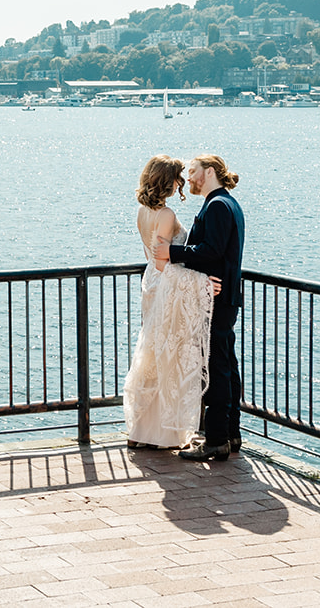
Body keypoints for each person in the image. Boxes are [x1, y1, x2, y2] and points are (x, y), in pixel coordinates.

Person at [123, 155, 218, 450]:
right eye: (179, 177)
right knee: (168, 354)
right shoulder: (165, 214)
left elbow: (152, 258)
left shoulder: (142, 211)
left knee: (152, 351)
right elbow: (164, 260)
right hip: (165, 284)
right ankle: (162, 432)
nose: (182, 182)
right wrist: (200, 283)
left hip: (151, 281)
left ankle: (142, 428)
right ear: (168, 180)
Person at [169, 153, 245, 461]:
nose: (188, 178)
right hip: (225, 297)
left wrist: (172, 252)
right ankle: (230, 433)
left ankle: (215, 439)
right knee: (227, 365)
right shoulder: (228, 204)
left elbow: (210, 250)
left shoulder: (216, 206)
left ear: (209, 171)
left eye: (193, 171)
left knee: (216, 367)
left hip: (216, 299)